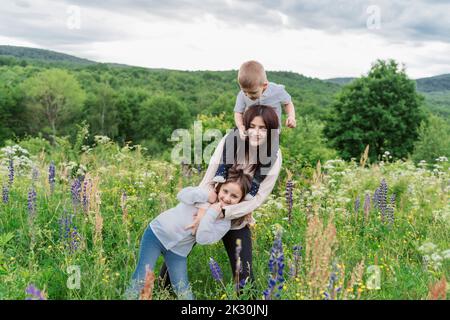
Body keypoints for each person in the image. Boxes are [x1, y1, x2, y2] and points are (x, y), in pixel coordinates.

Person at [160, 104, 282, 295]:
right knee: (176, 252)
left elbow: (257, 199)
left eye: (263, 128)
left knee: (245, 276)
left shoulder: (273, 157)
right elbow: (209, 179)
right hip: (208, 206)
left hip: (235, 216)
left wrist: (225, 212)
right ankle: (161, 292)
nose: (256, 133)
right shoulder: (231, 141)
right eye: (252, 126)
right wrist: (203, 211)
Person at [125, 168, 252, 300]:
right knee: (141, 277)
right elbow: (181, 195)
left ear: (240, 201)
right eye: (225, 191)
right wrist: (206, 196)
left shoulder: (224, 223)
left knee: (182, 290)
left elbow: (202, 238)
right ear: (220, 187)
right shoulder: (205, 193)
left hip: (179, 252)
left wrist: (212, 213)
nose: (226, 198)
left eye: (234, 196)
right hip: (157, 234)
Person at [214, 60, 295, 199]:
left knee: (270, 154)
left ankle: (256, 181)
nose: (247, 95)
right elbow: (238, 112)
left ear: (265, 85)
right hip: (250, 128)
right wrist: (240, 127)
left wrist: (291, 116)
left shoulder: (277, 90)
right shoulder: (243, 94)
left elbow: (288, 103)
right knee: (231, 137)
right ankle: (223, 167)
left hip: (270, 132)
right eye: (244, 91)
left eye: (251, 92)